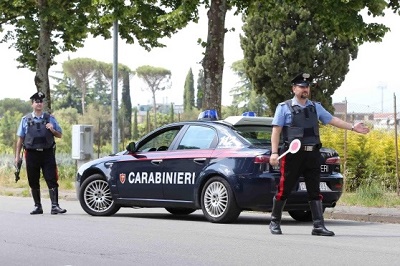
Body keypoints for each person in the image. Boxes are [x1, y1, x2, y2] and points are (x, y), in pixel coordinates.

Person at [269, 72, 369, 236]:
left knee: (314, 190)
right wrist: (274, 153)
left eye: (307, 87)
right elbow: (276, 131)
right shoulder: (283, 107)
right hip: (292, 155)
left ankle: (318, 226)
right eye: (301, 86)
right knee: (284, 189)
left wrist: (352, 127)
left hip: (313, 155)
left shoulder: (315, 107)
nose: (305, 89)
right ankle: (274, 221)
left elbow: (332, 120)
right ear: (294, 89)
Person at [15, 92, 67, 215]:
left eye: (41, 101)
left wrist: (52, 129)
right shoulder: (25, 119)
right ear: (32, 104)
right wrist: (17, 156)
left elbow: (59, 135)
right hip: (32, 154)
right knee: (33, 179)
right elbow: (20, 139)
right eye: (36, 101)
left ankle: (55, 206)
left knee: (51, 178)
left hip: (47, 153)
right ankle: (38, 206)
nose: (39, 103)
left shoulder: (50, 118)